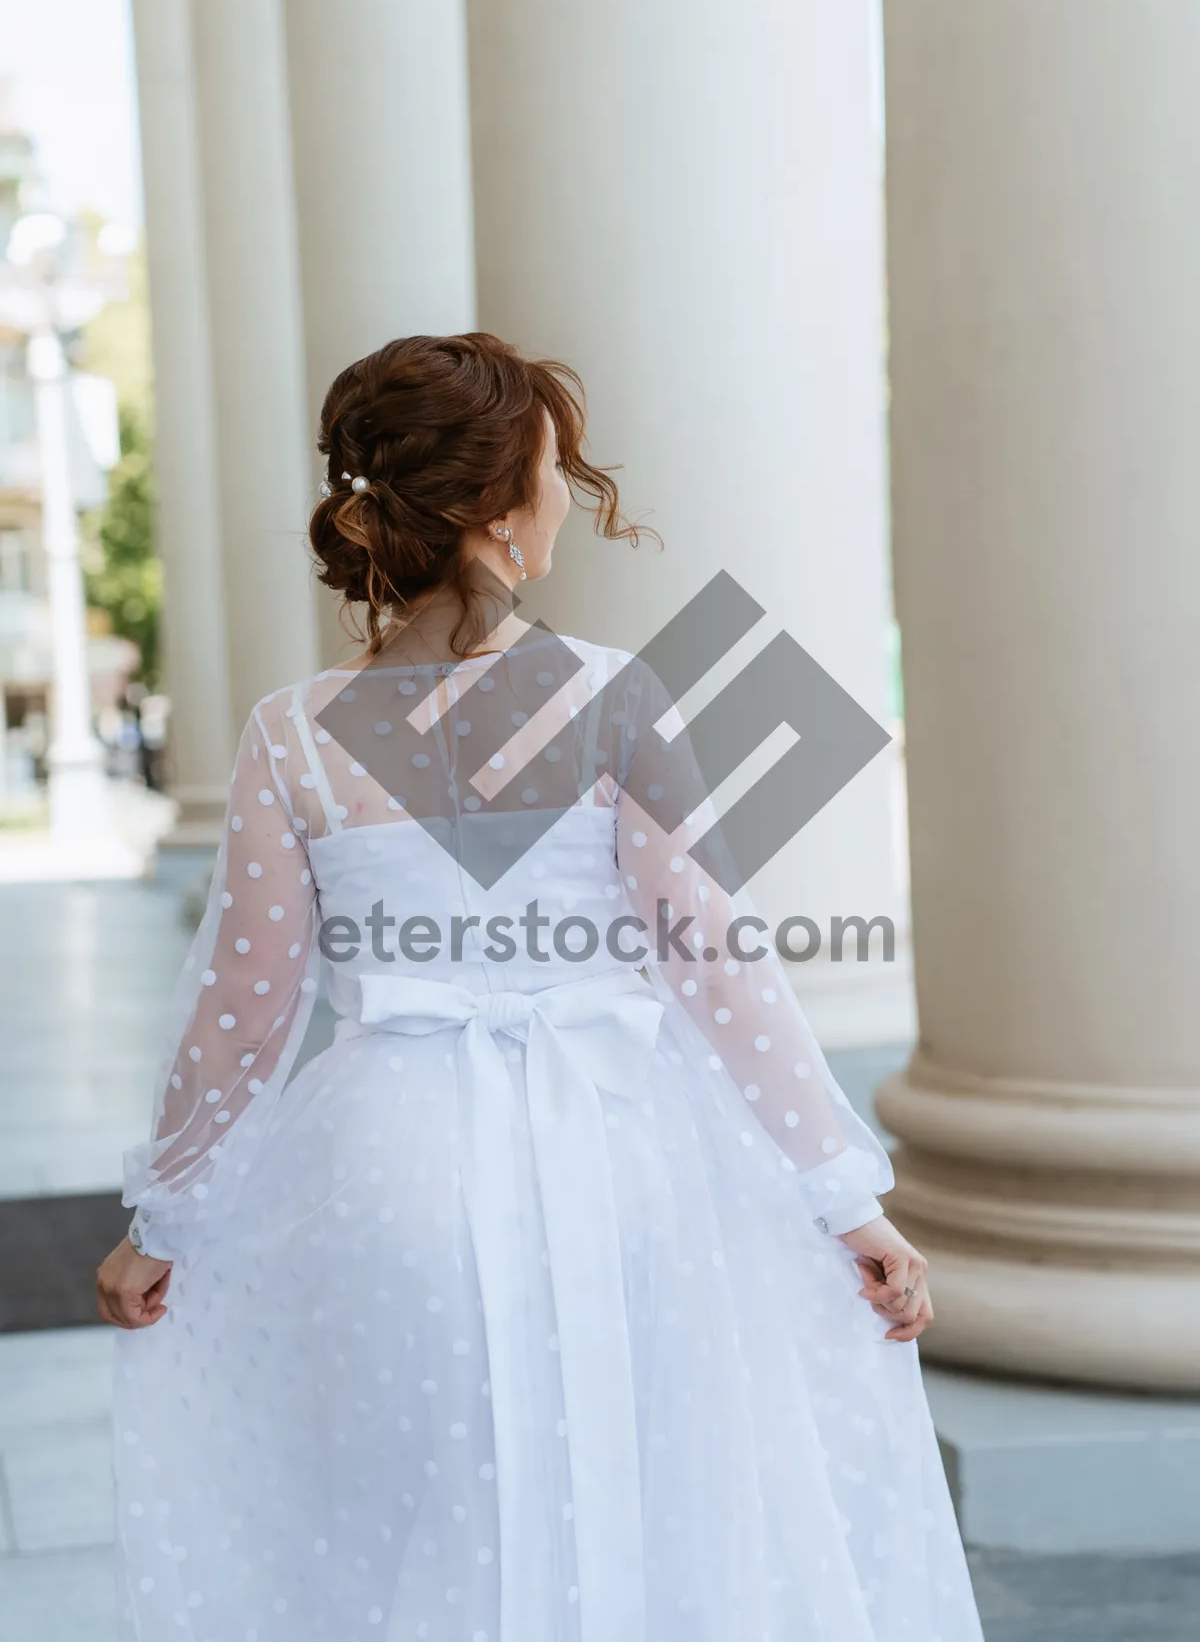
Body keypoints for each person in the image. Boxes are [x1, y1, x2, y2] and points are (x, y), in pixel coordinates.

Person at [97, 333, 983, 1641]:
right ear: (501, 510)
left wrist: (161, 1223)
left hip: (393, 1174)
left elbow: (247, 1009)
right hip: (629, 1158)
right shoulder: (616, 700)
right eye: (555, 468)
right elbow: (717, 964)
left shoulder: (293, 731)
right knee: (645, 1500)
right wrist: (844, 1201)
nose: (569, 491)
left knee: (433, 1500)